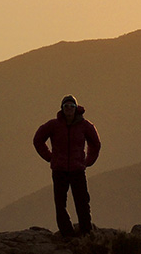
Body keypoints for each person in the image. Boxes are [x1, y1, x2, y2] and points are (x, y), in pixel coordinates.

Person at [33, 95, 101, 237]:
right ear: (62, 108)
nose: (69, 108)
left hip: (77, 169)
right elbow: (38, 139)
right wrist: (49, 157)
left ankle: (86, 231)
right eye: (66, 106)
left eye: (71, 106)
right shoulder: (53, 125)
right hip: (59, 170)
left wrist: (88, 161)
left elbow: (95, 143)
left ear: (76, 108)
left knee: (82, 201)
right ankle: (67, 232)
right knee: (60, 203)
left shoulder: (85, 125)